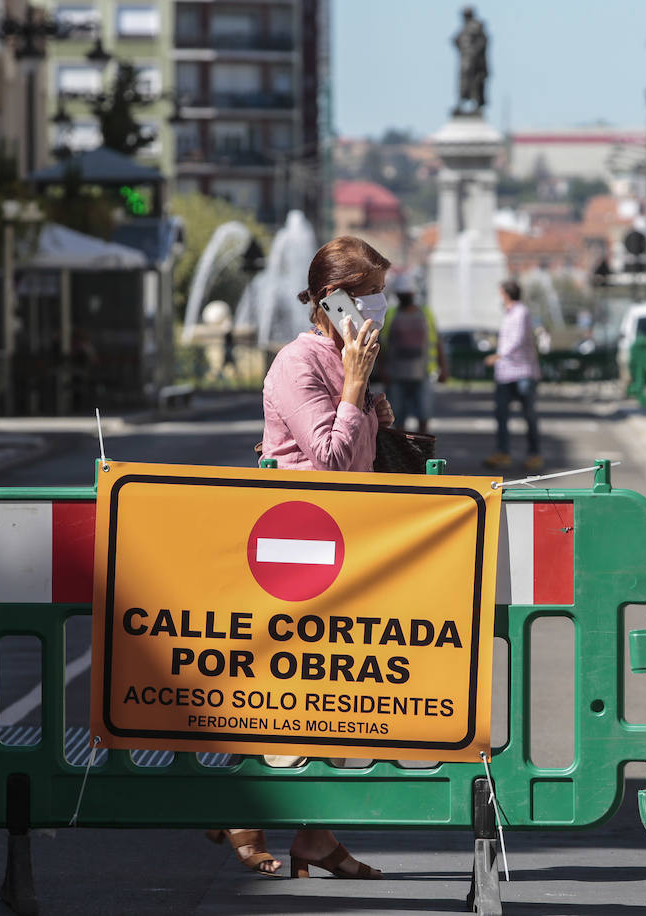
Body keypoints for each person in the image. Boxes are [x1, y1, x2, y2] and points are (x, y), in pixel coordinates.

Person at [218, 236, 393, 880]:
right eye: (371, 294)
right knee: (301, 691)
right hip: (296, 556)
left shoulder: (348, 359)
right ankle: (244, 808)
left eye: (383, 294)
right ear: (335, 299)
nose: (381, 308)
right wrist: (352, 392)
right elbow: (329, 464)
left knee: (342, 690)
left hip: (343, 553)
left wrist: (374, 408)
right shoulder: (301, 363)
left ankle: (312, 833)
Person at [483, 279, 542, 471]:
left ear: (506, 294)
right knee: (501, 414)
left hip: (523, 371)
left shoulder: (520, 312)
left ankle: (534, 454)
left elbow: (517, 339)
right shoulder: (509, 314)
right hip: (506, 373)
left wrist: (498, 355)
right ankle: (503, 452)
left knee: (529, 415)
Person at [381, 290, 448, 435]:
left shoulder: (425, 313)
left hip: (422, 374)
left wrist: (443, 368)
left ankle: (422, 449)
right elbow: (382, 345)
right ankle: (402, 452)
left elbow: (436, 342)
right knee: (398, 417)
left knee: (424, 414)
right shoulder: (392, 314)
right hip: (396, 375)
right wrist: (383, 370)